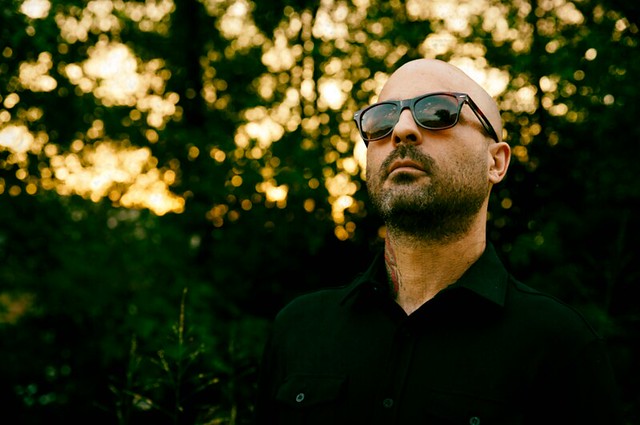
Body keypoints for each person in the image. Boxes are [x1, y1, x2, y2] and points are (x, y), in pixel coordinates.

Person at [255, 58, 623, 425]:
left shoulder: (560, 345)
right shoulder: (298, 330)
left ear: (496, 162)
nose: (402, 129)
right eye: (381, 119)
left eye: (437, 112)